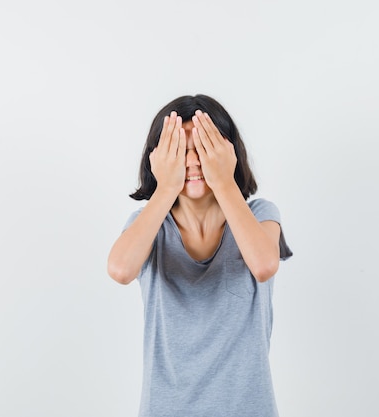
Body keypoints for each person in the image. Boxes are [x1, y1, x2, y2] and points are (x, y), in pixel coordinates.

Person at [107, 94, 293, 417]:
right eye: (180, 151)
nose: (193, 161)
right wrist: (165, 188)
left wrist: (222, 179)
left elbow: (264, 265)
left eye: (205, 150)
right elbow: (120, 269)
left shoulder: (261, 215)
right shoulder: (148, 225)